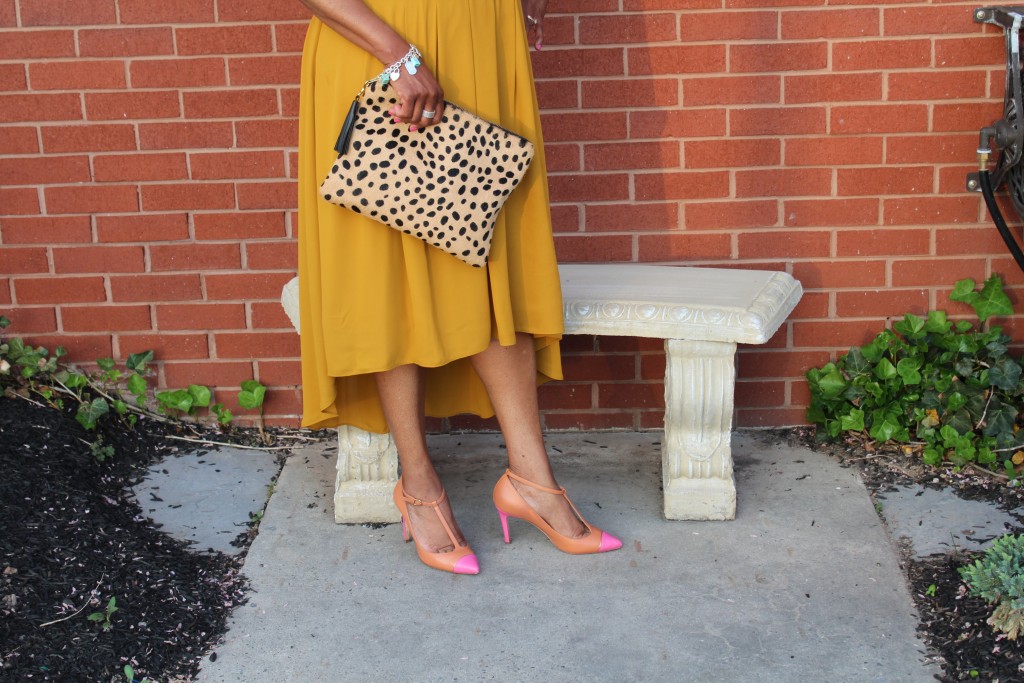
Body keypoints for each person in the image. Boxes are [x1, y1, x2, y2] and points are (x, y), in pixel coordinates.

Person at [296, 0, 621, 575]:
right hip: (384, 51)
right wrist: (398, 57)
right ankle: (418, 487)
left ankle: (532, 478)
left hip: (482, 44)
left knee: (491, 263)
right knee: (385, 275)